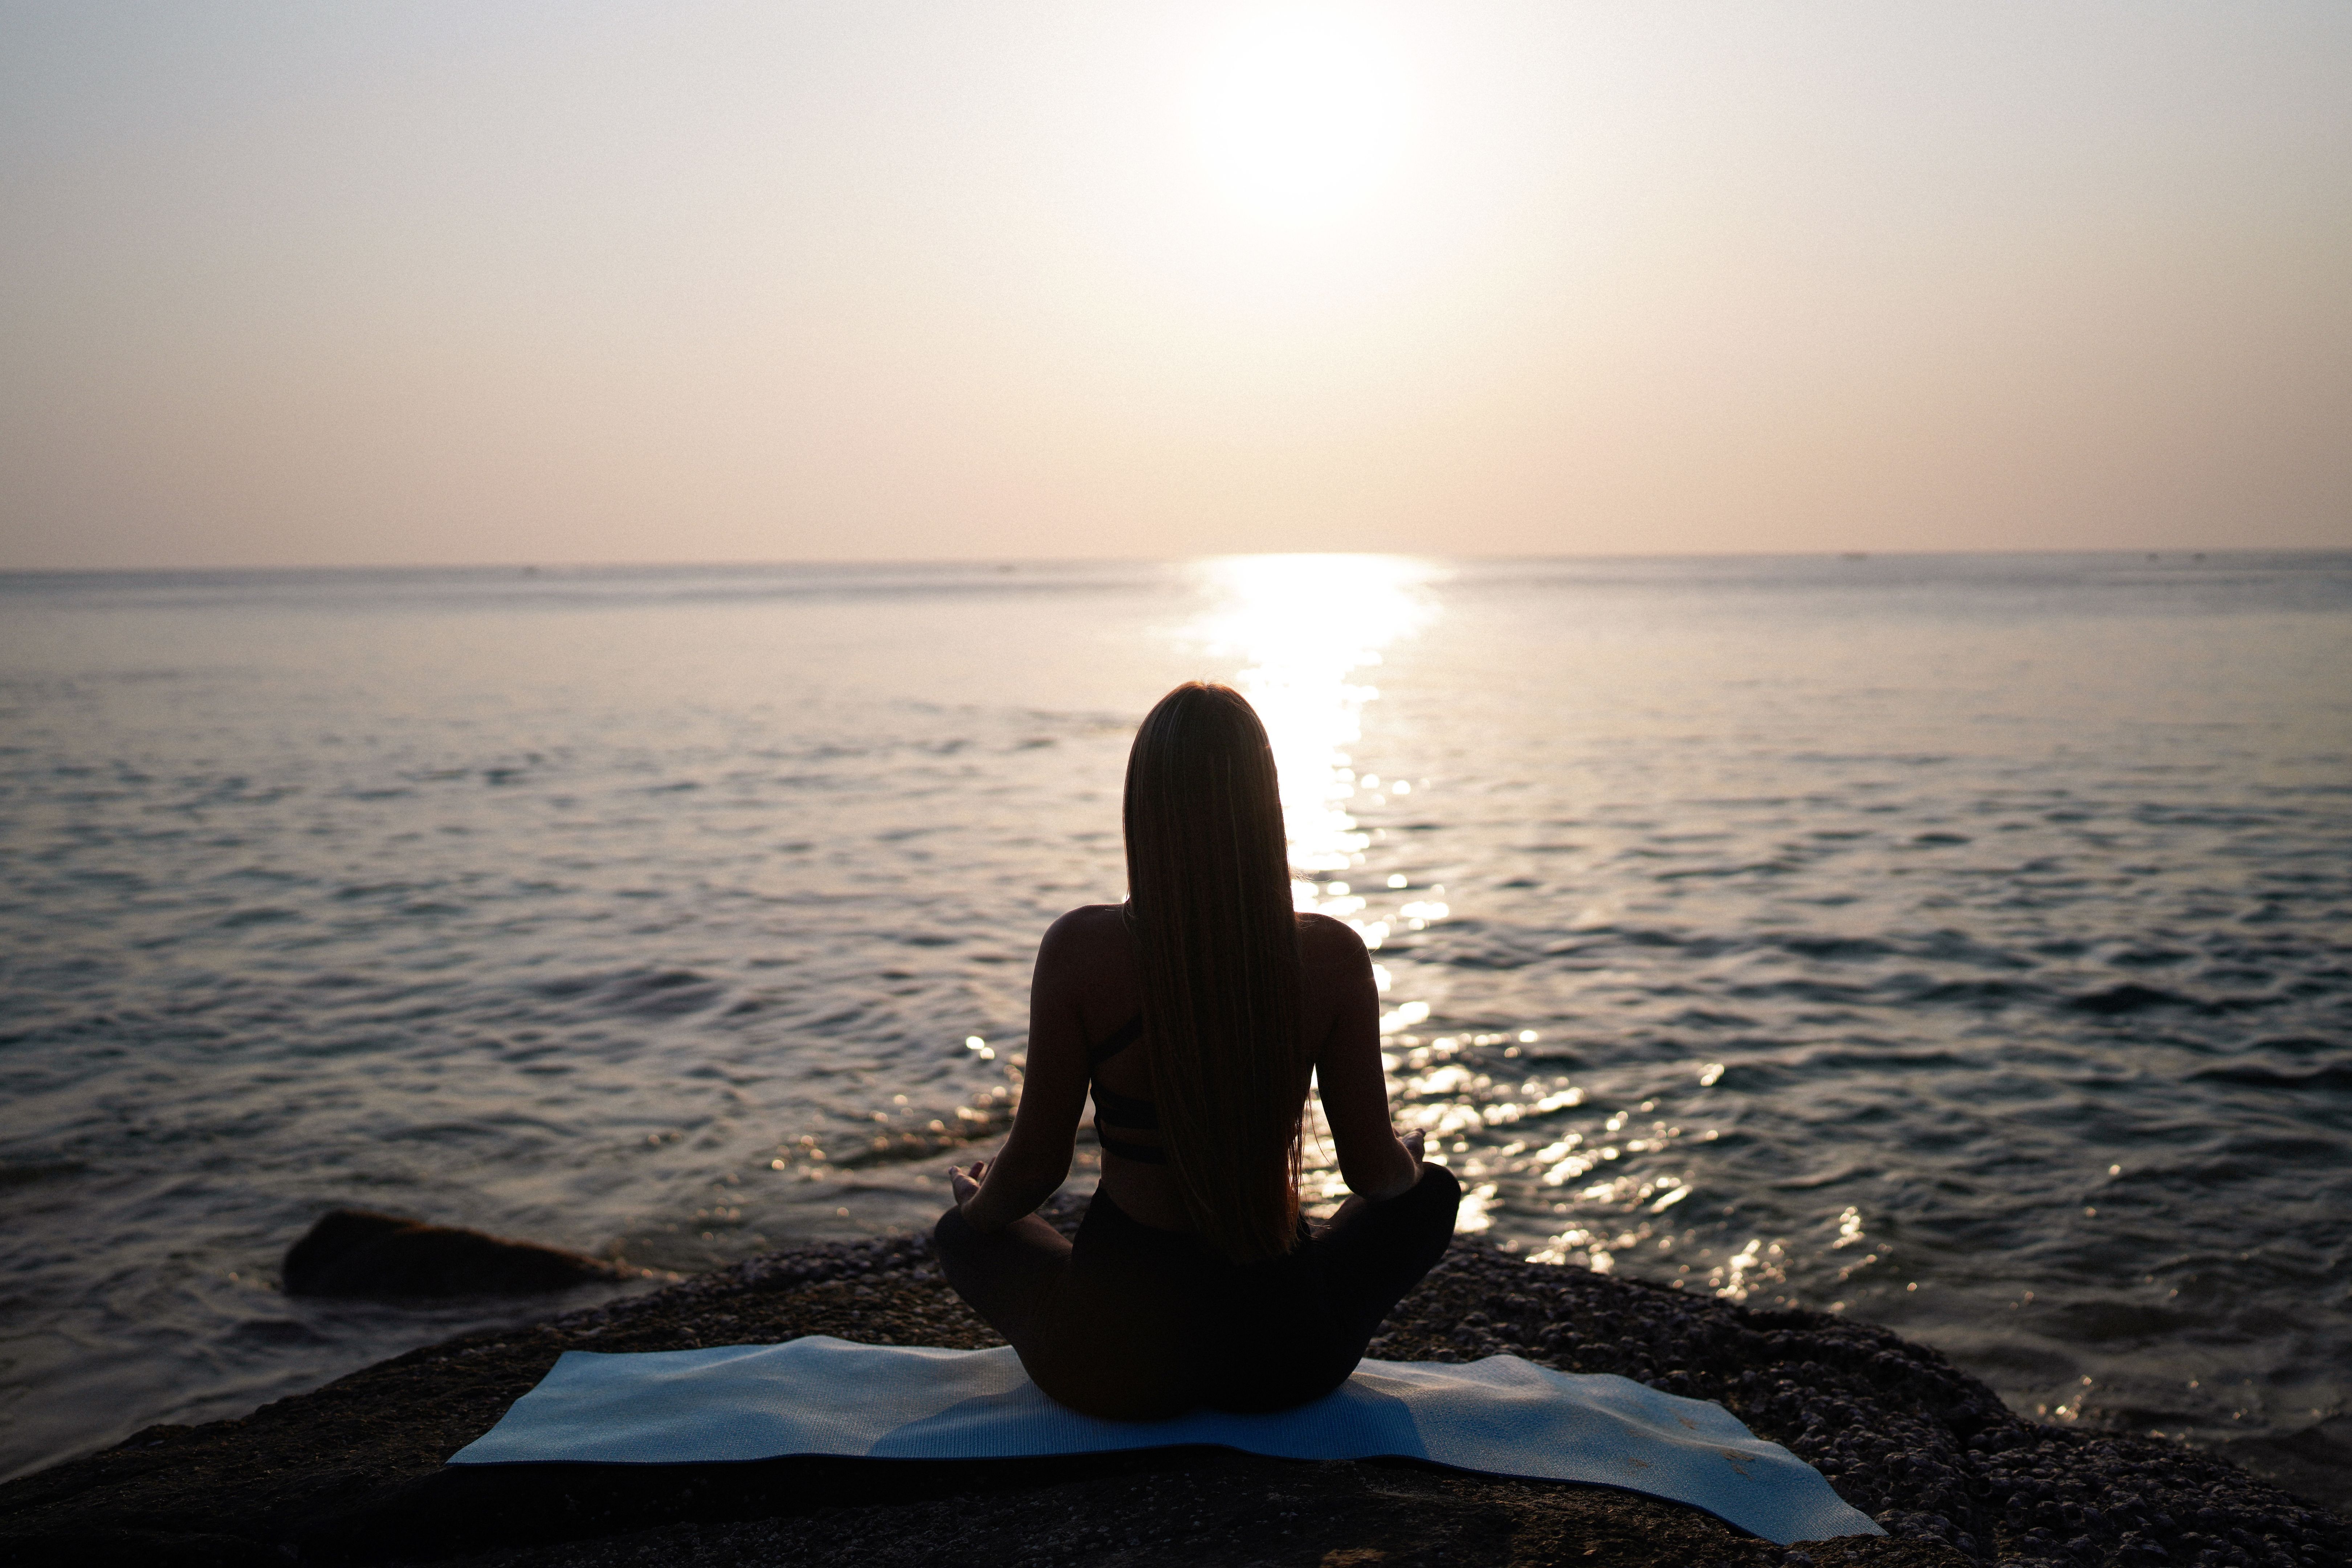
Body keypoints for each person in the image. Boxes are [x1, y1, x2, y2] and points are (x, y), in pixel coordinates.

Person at [933, 681, 1459, 1420]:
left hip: (1113, 1367)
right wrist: (1409, 1155)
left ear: (1143, 805)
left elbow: (1037, 1170)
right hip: (1285, 1359)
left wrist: (979, 1203)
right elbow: (1376, 1177)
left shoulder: (1081, 949)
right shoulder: (1331, 955)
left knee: (965, 1234)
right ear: (1265, 804)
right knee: (1431, 1195)